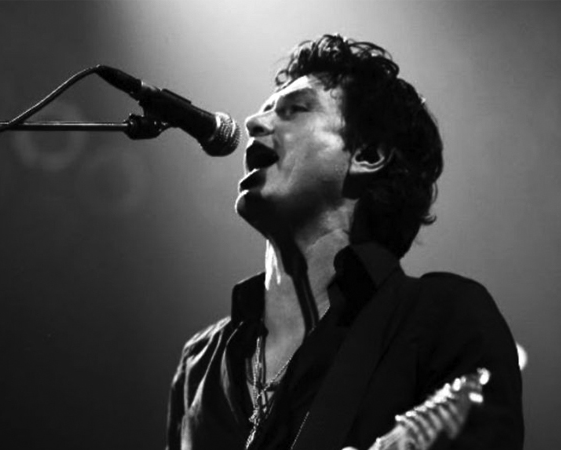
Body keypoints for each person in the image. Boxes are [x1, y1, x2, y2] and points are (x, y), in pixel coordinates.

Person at [165, 34, 524, 450]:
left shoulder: (441, 318)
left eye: (295, 109)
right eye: (265, 110)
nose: (252, 123)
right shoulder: (200, 362)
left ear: (367, 154)